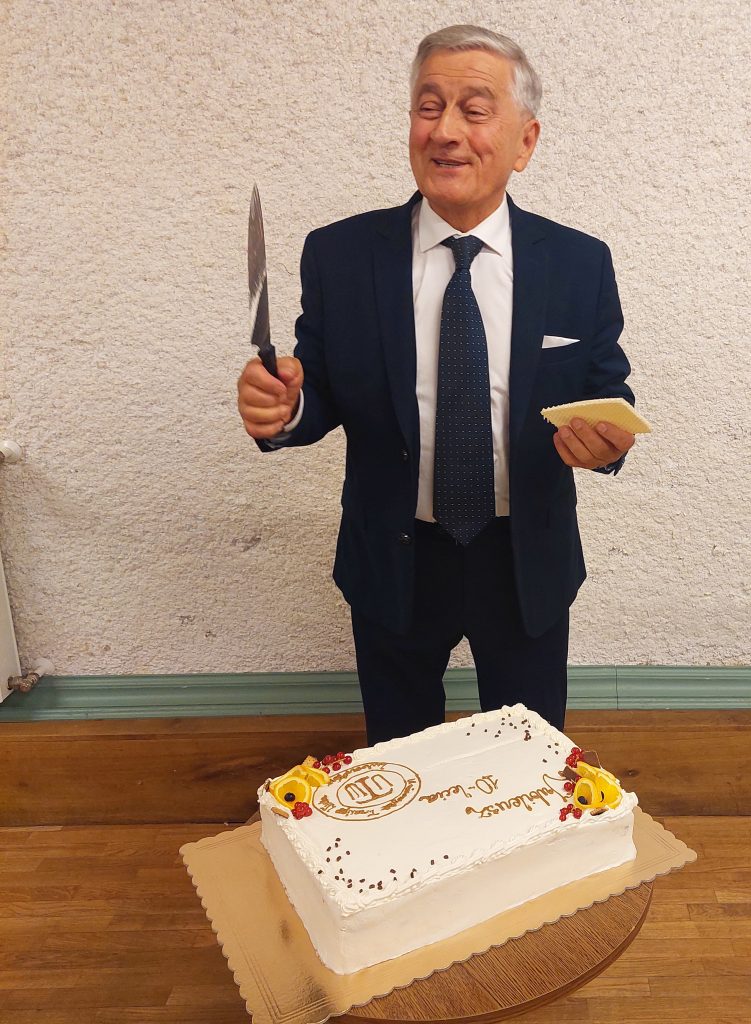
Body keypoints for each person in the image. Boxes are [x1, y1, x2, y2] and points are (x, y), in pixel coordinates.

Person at [236, 25, 637, 745]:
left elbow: (609, 390)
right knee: (400, 759)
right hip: (394, 555)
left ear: (524, 142)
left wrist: (607, 443)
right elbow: (317, 386)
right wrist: (285, 406)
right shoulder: (341, 256)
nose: (445, 131)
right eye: (429, 107)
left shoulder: (579, 262)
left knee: (530, 761)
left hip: (525, 559)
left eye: (474, 110)